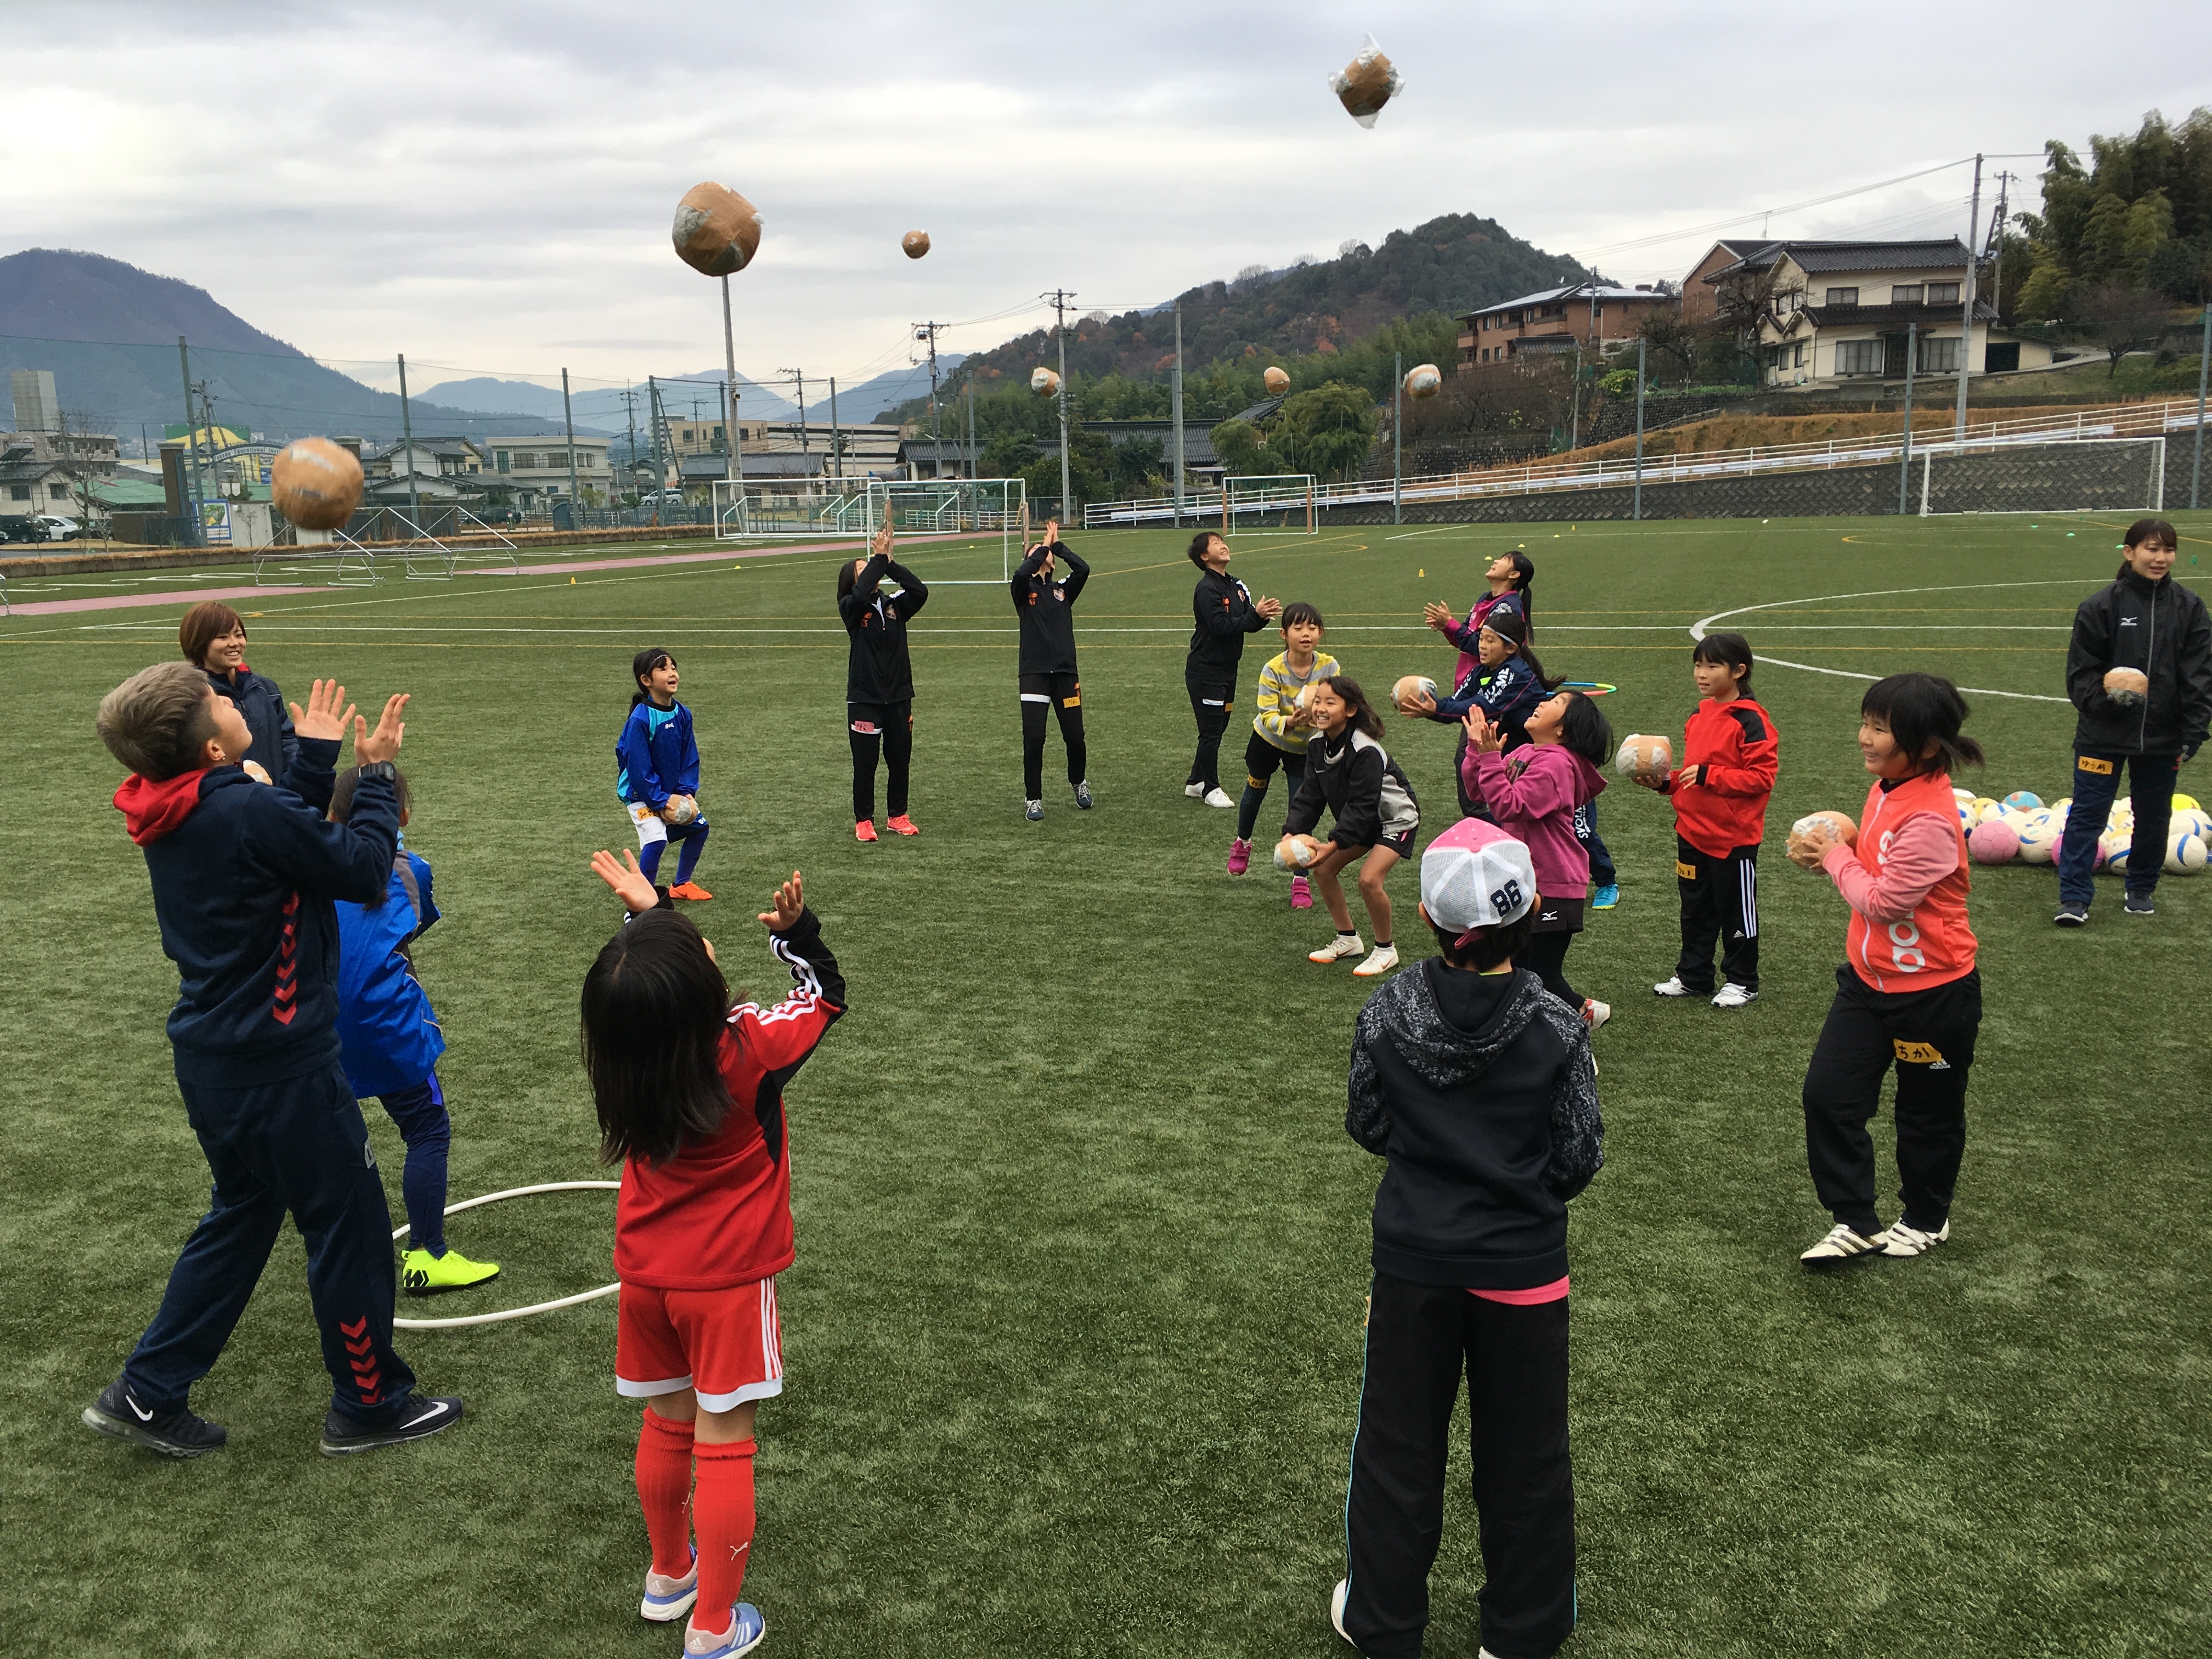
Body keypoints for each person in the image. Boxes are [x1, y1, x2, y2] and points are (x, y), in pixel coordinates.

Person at [83, 663, 460, 1458]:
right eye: (220, 702)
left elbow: (280, 844)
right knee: (348, 1224)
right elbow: (356, 867)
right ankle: (369, 1403)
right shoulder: (244, 807)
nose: (233, 699)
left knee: (243, 1214)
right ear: (215, 747)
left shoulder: (176, 804)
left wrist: (318, 760)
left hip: (215, 1061)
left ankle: (148, 1391)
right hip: (284, 1065)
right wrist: (379, 773)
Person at [1333, 814, 1602, 1659]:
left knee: (1396, 1445)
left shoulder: (1388, 1007)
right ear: (1529, 919)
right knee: (1527, 1451)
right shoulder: (1560, 1024)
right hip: (1522, 1266)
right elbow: (1577, 1157)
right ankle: (1520, 1635)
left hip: (1415, 1261)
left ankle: (1383, 1623)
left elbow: (1367, 1124)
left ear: (1426, 915)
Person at [584, 854, 845, 1659]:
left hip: (646, 1276)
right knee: (725, 1437)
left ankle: (670, 1577)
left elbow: (643, 998)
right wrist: (799, 935)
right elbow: (825, 998)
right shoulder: (750, 1049)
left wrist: (645, 914)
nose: (702, 944)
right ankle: (714, 1627)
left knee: (667, 1421)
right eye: (694, 944)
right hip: (727, 1283)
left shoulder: (625, 1058)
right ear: (706, 992)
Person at [1788, 673, 1984, 1268]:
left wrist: (1835, 856)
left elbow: (1884, 902)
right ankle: (1856, 1219)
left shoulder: (1929, 819)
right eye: (1867, 723)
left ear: (1925, 746)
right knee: (1828, 1096)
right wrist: (1835, 853)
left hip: (1932, 995)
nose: (1865, 738)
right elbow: (1873, 873)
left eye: (1880, 729)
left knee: (1926, 1112)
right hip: (1867, 985)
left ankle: (1927, 1218)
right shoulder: (1887, 790)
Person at [329, 763, 500, 1296]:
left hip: (310, 1025)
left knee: (326, 1141)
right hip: (386, 1022)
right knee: (427, 1128)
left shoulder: (305, 863)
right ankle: (427, 1254)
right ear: (401, 815)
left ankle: (336, 1252)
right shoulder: (411, 869)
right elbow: (411, 925)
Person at [2053, 516, 2210, 925]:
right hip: (2102, 735)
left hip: (2162, 737)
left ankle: (2140, 888)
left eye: (2168, 550)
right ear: (2130, 553)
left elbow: (2199, 674)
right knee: (2088, 813)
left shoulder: (2190, 608)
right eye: (2151, 549)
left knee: (2155, 814)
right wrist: (2108, 702)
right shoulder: (2101, 606)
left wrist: (2194, 729)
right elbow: (2080, 674)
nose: (2161, 558)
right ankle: (2074, 897)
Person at [1640, 631, 1779, 1009]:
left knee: (1737, 913)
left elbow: (1761, 779)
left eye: (1712, 665)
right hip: (1692, 832)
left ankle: (1742, 980)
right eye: (1698, 665)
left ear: (1738, 671)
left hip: (1733, 839)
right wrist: (1667, 783)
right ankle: (1694, 976)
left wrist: (1708, 776)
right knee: (1695, 911)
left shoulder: (1751, 721)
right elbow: (1692, 772)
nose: (1701, 673)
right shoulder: (1699, 714)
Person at [1468, 687, 1614, 1030]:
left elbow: (1511, 806)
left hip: (1555, 885)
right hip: (1524, 880)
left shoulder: (1557, 765)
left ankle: (1577, 1024)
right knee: (1518, 970)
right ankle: (1543, 1028)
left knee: (1542, 975)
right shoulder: (1523, 752)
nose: (1544, 702)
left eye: (1557, 703)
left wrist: (1490, 759)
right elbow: (1480, 792)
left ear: (1563, 729)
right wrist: (1478, 753)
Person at [1285, 676, 1420, 979]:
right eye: (1317, 701)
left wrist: (1332, 844)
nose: (1320, 708)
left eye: (1330, 703)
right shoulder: (1317, 745)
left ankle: (1386, 950)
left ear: (1350, 710)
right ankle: (1348, 939)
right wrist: (1292, 833)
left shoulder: (1366, 750)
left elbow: (1362, 806)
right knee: (1323, 870)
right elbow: (1310, 795)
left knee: (1369, 880)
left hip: (1395, 819)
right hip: (1365, 818)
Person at [1229, 600, 1340, 905]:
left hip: (1305, 749)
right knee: (1255, 793)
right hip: (1268, 740)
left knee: (1299, 807)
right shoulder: (1273, 669)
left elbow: (1334, 705)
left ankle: (1300, 878)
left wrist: (1320, 717)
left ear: (1321, 633)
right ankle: (1243, 842)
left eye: (1313, 628)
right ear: (1283, 633)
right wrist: (1291, 721)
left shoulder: (1329, 667)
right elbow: (1266, 714)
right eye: (1298, 627)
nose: (1306, 634)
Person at [1400, 602, 1550, 820]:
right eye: (1481, 638)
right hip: (1510, 753)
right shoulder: (1481, 671)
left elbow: (1482, 706)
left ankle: (1482, 821)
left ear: (1511, 648)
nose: (1482, 645)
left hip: (1534, 755)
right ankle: (1481, 819)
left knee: (1529, 818)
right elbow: (1458, 701)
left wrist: (1438, 709)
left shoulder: (1515, 673)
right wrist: (1432, 707)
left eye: (1491, 641)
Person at [839, 521, 929, 842]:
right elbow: (861, 591)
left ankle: (897, 816)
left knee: (900, 759)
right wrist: (877, 560)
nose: (872, 572)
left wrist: (890, 564)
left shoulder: (893, 606)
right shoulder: (851, 607)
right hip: (865, 698)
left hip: (898, 696)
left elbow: (920, 591)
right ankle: (864, 820)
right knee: (866, 764)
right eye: (864, 569)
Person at [1185, 530, 1281, 806]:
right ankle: (1210, 788)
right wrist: (1254, 615)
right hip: (1206, 671)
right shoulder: (1206, 588)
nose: (1223, 546)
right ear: (1205, 557)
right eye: (1216, 544)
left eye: (1222, 542)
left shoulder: (1236, 585)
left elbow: (1246, 623)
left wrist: (1261, 616)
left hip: (1228, 670)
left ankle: (1195, 781)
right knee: (1211, 730)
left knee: (1219, 726)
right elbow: (1220, 627)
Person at [1011, 517, 1093, 820]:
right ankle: (1033, 797)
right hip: (1033, 673)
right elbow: (1021, 572)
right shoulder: (1022, 590)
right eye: (1038, 552)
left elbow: (1083, 569)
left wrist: (1057, 545)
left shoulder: (1063, 590)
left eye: (1046, 553)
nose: (1044, 553)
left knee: (1075, 736)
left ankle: (1078, 782)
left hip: (1065, 673)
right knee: (1034, 738)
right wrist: (1042, 547)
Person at [617, 647, 713, 901]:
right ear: (646, 681)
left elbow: (689, 757)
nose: (673, 674)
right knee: (656, 840)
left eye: (674, 667)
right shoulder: (640, 719)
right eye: (663, 669)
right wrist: (659, 801)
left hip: (670, 791)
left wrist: (686, 792)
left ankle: (681, 885)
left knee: (700, 828)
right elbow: (638, 769)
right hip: (640, 793)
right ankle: (645, 899)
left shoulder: (682, 713)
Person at [178, 600, 298, 788]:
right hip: (227, 799)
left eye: (239, 635)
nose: (234, 644)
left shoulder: (265, 688)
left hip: (274, 795)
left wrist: (294, 776)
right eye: (223, 637)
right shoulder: (193, 696)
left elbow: (287, 737)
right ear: (200, 642)